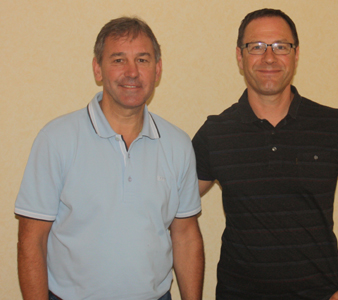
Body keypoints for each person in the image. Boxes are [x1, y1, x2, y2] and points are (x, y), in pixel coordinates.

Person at [192, 8, 338, 300]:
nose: (269, 57)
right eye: (256, 47)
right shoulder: (216, 133)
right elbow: (175, 206)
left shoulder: (333, 126)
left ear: (296, 55)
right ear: (240, 57)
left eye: (281, 47)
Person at [15, 17, 204, 300]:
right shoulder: (57, 139)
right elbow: (31, 240)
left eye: (142, 60)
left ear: (158, 69)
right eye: (118, 60)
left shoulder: (177, 144)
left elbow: (186, 236)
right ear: (98, 69)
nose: (132, 72)